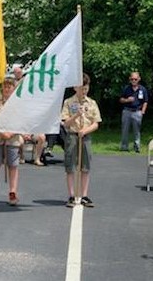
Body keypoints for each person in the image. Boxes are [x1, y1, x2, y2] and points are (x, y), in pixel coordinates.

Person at [61, 73, 102, 208]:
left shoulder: (92, 103)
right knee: (70, 166)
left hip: (85, 136)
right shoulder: (68, 102)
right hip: (72, 135)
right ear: (75, 87)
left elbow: (96, 123)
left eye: (86, 88)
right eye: (81, 88)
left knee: (85, 167)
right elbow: (65, 123)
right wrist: (76, 115)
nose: (84, 91)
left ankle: (84, 195)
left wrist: (85, 131)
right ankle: (72, 195)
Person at [0, 77, 24, 206]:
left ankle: (13, 192)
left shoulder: (18, 103)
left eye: (9, 87)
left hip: (12, 138)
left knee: (13, 166)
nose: (7, 89)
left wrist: (10, 134)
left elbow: (21, 122)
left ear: (14, 89)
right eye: (5, 87)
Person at [119, 72, 148, 153]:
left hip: (137, 112)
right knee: (125, 130)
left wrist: (143, 111)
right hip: (127, 111)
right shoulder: (126, 88)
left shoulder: (142, 89)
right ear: (129, 79)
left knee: (137, 131)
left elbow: (145, 101)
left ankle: (137, 147)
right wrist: (127, 100)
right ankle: (124, 147)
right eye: (132, 79)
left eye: (135, 79)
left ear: (139, 79)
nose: (133, 81)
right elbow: (120, 99)